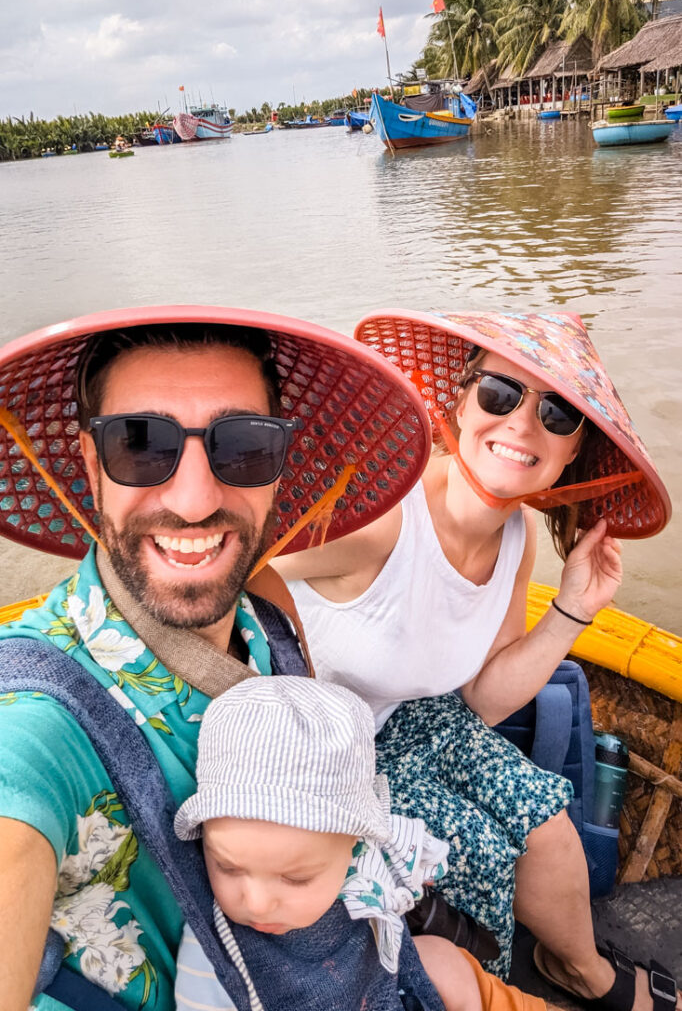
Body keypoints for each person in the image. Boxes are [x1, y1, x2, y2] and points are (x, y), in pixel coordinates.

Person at [0, 305, 432, 1011]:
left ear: (278, 464)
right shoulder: (35, 717)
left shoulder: (269, 615)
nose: (196, 500)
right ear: (89, 464)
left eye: (244, 446)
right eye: (139, 444)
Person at [274, 309, 677, 1011]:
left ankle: (578, 968)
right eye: (499, 394)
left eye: (557, 413)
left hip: (412, 719)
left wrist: (574, 608)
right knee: (477, 849)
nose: (522, 426)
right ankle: (476, 983)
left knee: (549, 826)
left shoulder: (516, 535)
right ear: (458, 403)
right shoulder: (380, 517)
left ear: (573, 448)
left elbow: (486, 700)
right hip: (318, 747)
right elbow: (233, 567)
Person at [174, 674, 511, 1011]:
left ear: (356, 842)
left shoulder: (366, 860)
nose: (257, 904)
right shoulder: (212, 958)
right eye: (228, 867)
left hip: (381, 986)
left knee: (449, 961)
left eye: (296, 878)